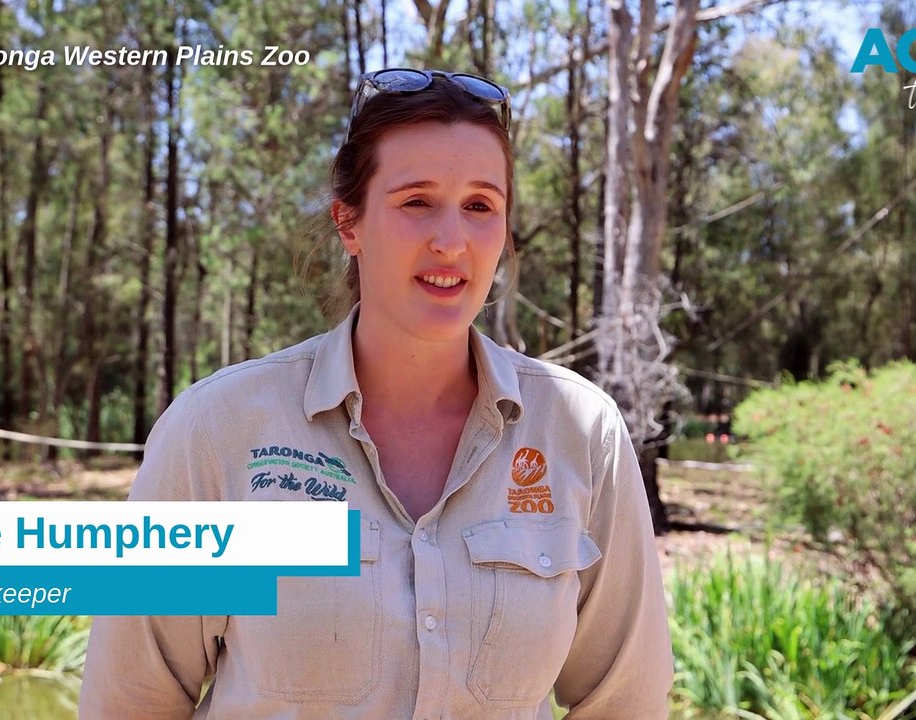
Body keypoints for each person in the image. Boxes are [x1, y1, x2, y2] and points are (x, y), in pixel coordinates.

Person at [79, 68, 673, 719]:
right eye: (416, 201)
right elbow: (130, 700)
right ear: (348, 223)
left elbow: (627, 701)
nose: (451, 240)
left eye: (480, 206)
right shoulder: (215, 430)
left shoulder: (582, 434)